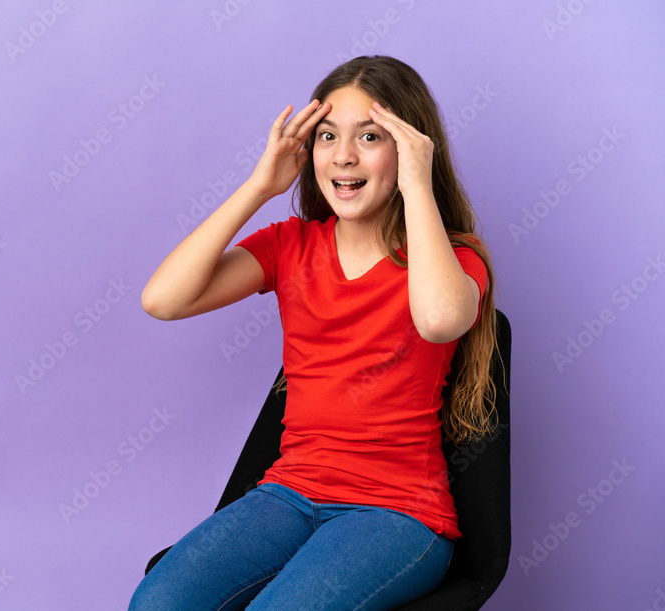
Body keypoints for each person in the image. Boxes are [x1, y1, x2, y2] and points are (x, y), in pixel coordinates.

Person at [129, 55, 500, 611]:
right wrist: (259, 187)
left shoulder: (454, 260)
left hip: (397, 513)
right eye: (327, 136)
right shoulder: (291, 245)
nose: (344, 155)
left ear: (409, 149)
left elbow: (441, 319)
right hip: (288, 494)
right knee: (156, 604)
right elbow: (163, 300)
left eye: (370, 136)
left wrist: (418, 187)